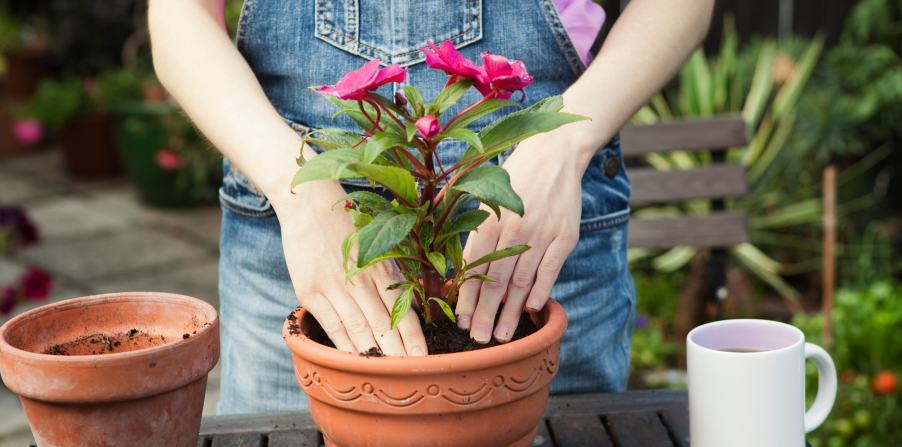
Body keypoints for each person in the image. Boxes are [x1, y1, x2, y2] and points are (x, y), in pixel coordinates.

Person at [149, 0, 714, 414]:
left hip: (533, 232)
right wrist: (296, 184)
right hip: (300, 240)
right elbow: (179, 17)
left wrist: (564, 140)